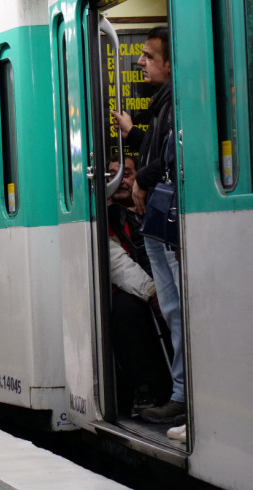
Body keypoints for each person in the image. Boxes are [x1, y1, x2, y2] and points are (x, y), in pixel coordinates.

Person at [110, 26, 184, 424]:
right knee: (171, 308)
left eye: (149, 57)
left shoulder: (175, 103)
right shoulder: (161, 105)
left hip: (164, 218)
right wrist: (133, 134)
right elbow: (159, 151)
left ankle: (183, 394)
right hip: (156, 218)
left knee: (176, 308)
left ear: (170, 64)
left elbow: (170, 157)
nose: (140, 62)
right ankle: (179, 392)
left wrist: (141, 179)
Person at [107, 155, 171, 415]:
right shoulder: (106, 217)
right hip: (137, 289)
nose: (120, 180)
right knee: (125, 310)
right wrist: (152, 292)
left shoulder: (158, 207)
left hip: (166, 279)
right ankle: (145, 388)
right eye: (112, 175)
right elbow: (117, 264)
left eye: (127, 174)